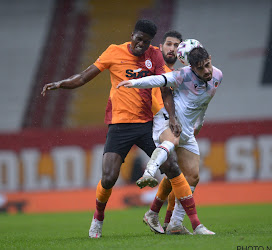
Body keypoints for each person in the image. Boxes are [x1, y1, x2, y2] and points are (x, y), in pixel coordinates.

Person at [41, 20, 207, 238]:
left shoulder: (154, 56)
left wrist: (173, 118)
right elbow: (84, 76)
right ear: (132, 35)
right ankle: (98, 217)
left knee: (172, 166)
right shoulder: (113, 52)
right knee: (109, 177)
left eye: (146, 42)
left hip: (146, 125)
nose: (141, 45)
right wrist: (60, 84)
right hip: (119, 126)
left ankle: (192, 224)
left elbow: (166, 88)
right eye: (139, 39)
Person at [118, 45, 223, 235]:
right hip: (169, 122)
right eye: (201, 68)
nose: (206, 70)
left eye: (208, 64)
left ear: (210, 58)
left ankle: (174, 223)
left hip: (188, 130)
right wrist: (133, 83)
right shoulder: (184, 75)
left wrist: (199, 124)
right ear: (192, 68)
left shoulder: (218, 76)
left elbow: (204, 104)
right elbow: (160, 80)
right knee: (171, 145)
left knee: (191, 176)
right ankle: (149, 172)